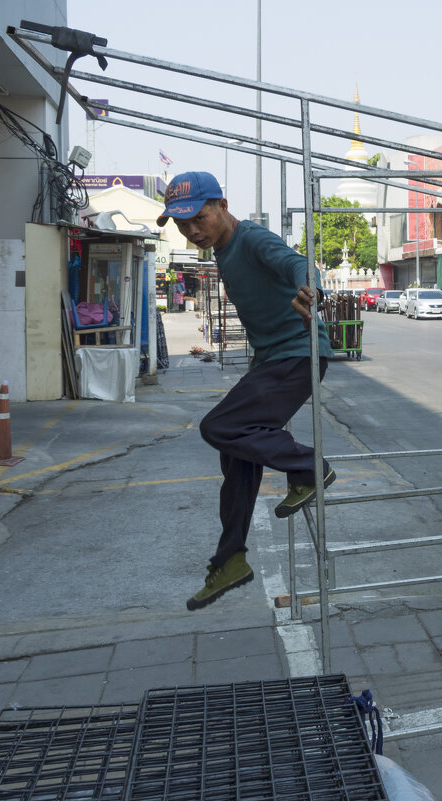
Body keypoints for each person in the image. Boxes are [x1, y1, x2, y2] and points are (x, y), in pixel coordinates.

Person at [156, 171, 336, 611]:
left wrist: (308, 289)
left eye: (198, 218)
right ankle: (230, 557)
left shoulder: (251, 238)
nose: (192, 230)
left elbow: (297, 262)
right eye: (182, 225)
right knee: (236, 450)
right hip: (273, 360)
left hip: (298, 354)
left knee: (218, 425)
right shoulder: (221, 250)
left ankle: (309, 468)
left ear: (221, 205)